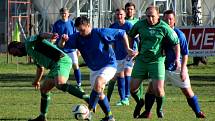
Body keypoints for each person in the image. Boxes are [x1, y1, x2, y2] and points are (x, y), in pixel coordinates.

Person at [58, 16, 137, 121]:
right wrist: (63, 40)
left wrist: (127, 48)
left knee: (99, 83)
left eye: (82, 30)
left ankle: (88, 111)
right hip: (94, 69)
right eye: (78, 30)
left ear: (89, 25)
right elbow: (61, 46)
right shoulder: (77, 37)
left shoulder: (100, 32)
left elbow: (122, 33)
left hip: (109, 65)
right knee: (99, 94)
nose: (80, 32)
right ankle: (109, 117)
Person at [8, 33, 90, 121]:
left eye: (15, 52)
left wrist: (50, 36)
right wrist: (36, 81)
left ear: (19, 45)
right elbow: (40, 69)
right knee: (44, 89)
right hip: (54, 66)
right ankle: (42, 117)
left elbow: (40, 36)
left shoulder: (28, 42)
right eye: (14, 55)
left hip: (61, 60)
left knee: (60, 83)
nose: (16, 55)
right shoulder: (31, 53)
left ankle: (87, 98)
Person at [142, 9, 206, 118]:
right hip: (160, 67)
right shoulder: (159, 32)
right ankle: (147, 112)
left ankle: (198, 112)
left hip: (176, 68)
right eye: (166, 19)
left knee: (187, 91)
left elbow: (185, 54)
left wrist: (183, 69)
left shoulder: (179, 35)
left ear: (174, 20)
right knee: (151, 89)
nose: (168, 21)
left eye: (170, 19)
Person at [128, 6, 180, 119]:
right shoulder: (140, 24)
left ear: (158, 16)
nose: (150, 19)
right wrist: (131, 49)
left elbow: (176, 43)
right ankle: (140, 102)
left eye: (153, 16)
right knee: (132, 88)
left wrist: (177, 58)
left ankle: (159, 109)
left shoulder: (164, 27)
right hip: (141, 60)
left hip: (157, 61)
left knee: (159, 91)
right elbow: (130, 35)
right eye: (148, 16)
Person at [107, 8, 135, 106]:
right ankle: (122, 99)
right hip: (118, 54)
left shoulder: (129, 25)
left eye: (121, 14)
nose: (119, 16)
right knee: (120, 75)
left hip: (129, 54)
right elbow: (112, 41)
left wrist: (134, 51)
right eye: (118, 14)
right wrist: (113, 53)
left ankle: (127, 97)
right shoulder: (113, 26)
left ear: (125, 15)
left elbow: (136, 39)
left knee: (127, 72)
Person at [52, 7, 83, 92]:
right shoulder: (57, 24)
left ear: (68, 14)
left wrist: (78, 49)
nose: (63, 15)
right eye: (62, 13)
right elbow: (54, 37)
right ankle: (61, 84)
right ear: (60, 14)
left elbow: (76, 37)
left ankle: (79, 84)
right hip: (61, 50)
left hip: (71, 49)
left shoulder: (72, 24)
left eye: (65, 13)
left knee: (75, 66)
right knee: (60, 67)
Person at [125, 2, 145, 113]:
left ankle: (139, 97)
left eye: (131, 9)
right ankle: (126, 97)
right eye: (128, 9)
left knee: (138, 74)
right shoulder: (122, 21)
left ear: (134, 10)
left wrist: (139, 50)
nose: (129, 11)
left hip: (135, 52)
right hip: (123, 52)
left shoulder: (138, 22)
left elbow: (140, 38)